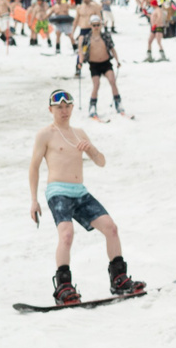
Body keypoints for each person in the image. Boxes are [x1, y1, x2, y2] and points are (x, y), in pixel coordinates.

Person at [27, 89, 145, 306]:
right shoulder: (45, 134)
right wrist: (34, 200)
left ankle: (119, 279)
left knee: (111, 228)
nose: (64, 111)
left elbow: (101, 162)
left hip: (79, 192)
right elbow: (33, 167)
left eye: (67, 107)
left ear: (72, 107)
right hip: (57, 191)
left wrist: (91, 149)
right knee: (66, 234)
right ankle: (63, 287)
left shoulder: (79, 133)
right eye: (59, 107)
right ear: (51, 110)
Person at [80, 23, 125, 120]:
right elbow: (82, 51)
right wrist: (80, 62)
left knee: (112, 81)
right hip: (94, 65)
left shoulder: (105, 36)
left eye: (98, 25)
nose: (96, 27)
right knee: (96, 85)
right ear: (91, 26)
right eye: (94, 25)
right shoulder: (87, 38)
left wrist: (117, 61)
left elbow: (112, 49)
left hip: (106, 63)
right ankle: (92, 106)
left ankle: (118, 103)